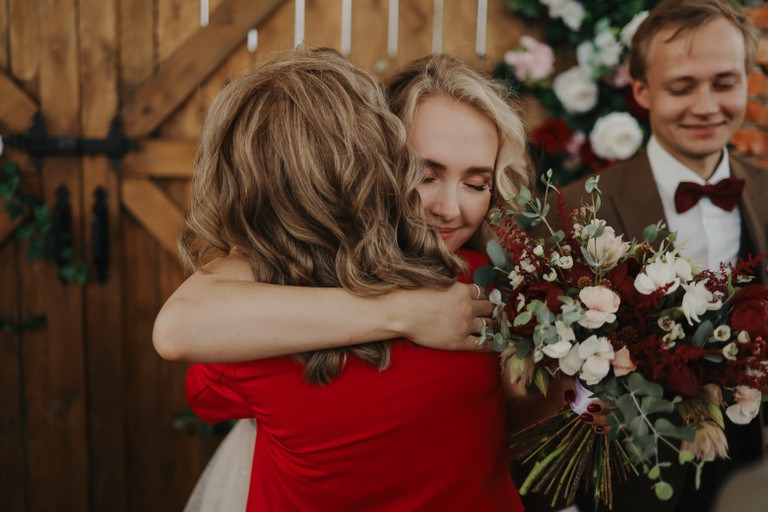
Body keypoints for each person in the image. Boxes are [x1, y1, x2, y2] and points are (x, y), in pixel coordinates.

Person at [175, 47, 536, 511]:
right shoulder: (268, 316)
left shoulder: (491, 288)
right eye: (425, 174)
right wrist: (399, 312)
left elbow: (500, 428)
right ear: (372, 163)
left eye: (476, 184)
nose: (449, 209)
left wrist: (580, 397)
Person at [558, 1, 767, 510]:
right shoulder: (572, 208)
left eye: (723, 83)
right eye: (681, 87)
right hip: (626, 481)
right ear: (641, 91)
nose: (705, 105)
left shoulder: (764, 191)